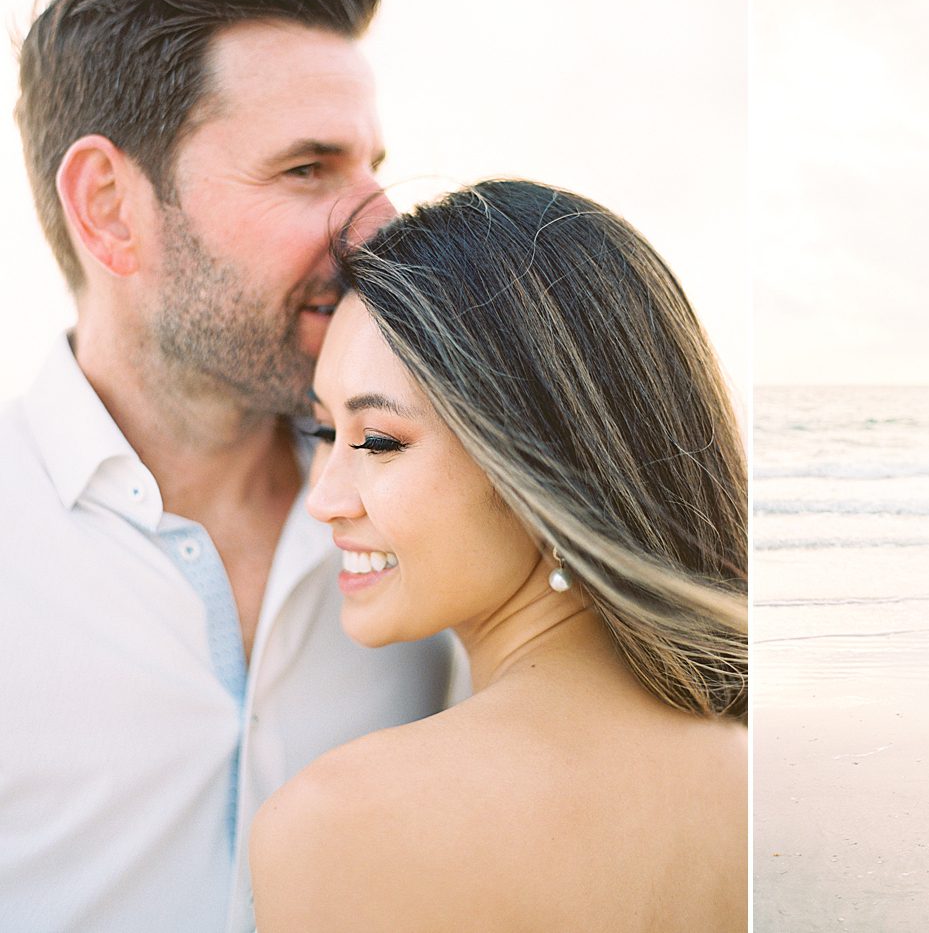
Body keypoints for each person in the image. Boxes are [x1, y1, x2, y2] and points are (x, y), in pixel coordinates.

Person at [0, 0, 456, 930]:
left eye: (372, 167)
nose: (381, 224)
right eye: (307, 169)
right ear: (111, 209)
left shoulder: (441, 505)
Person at [248, 180, 749, 930]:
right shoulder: (756, 773)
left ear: (549, 462)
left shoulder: (343, 826)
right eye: (324, 432)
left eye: (378, 441)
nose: (324, 498)